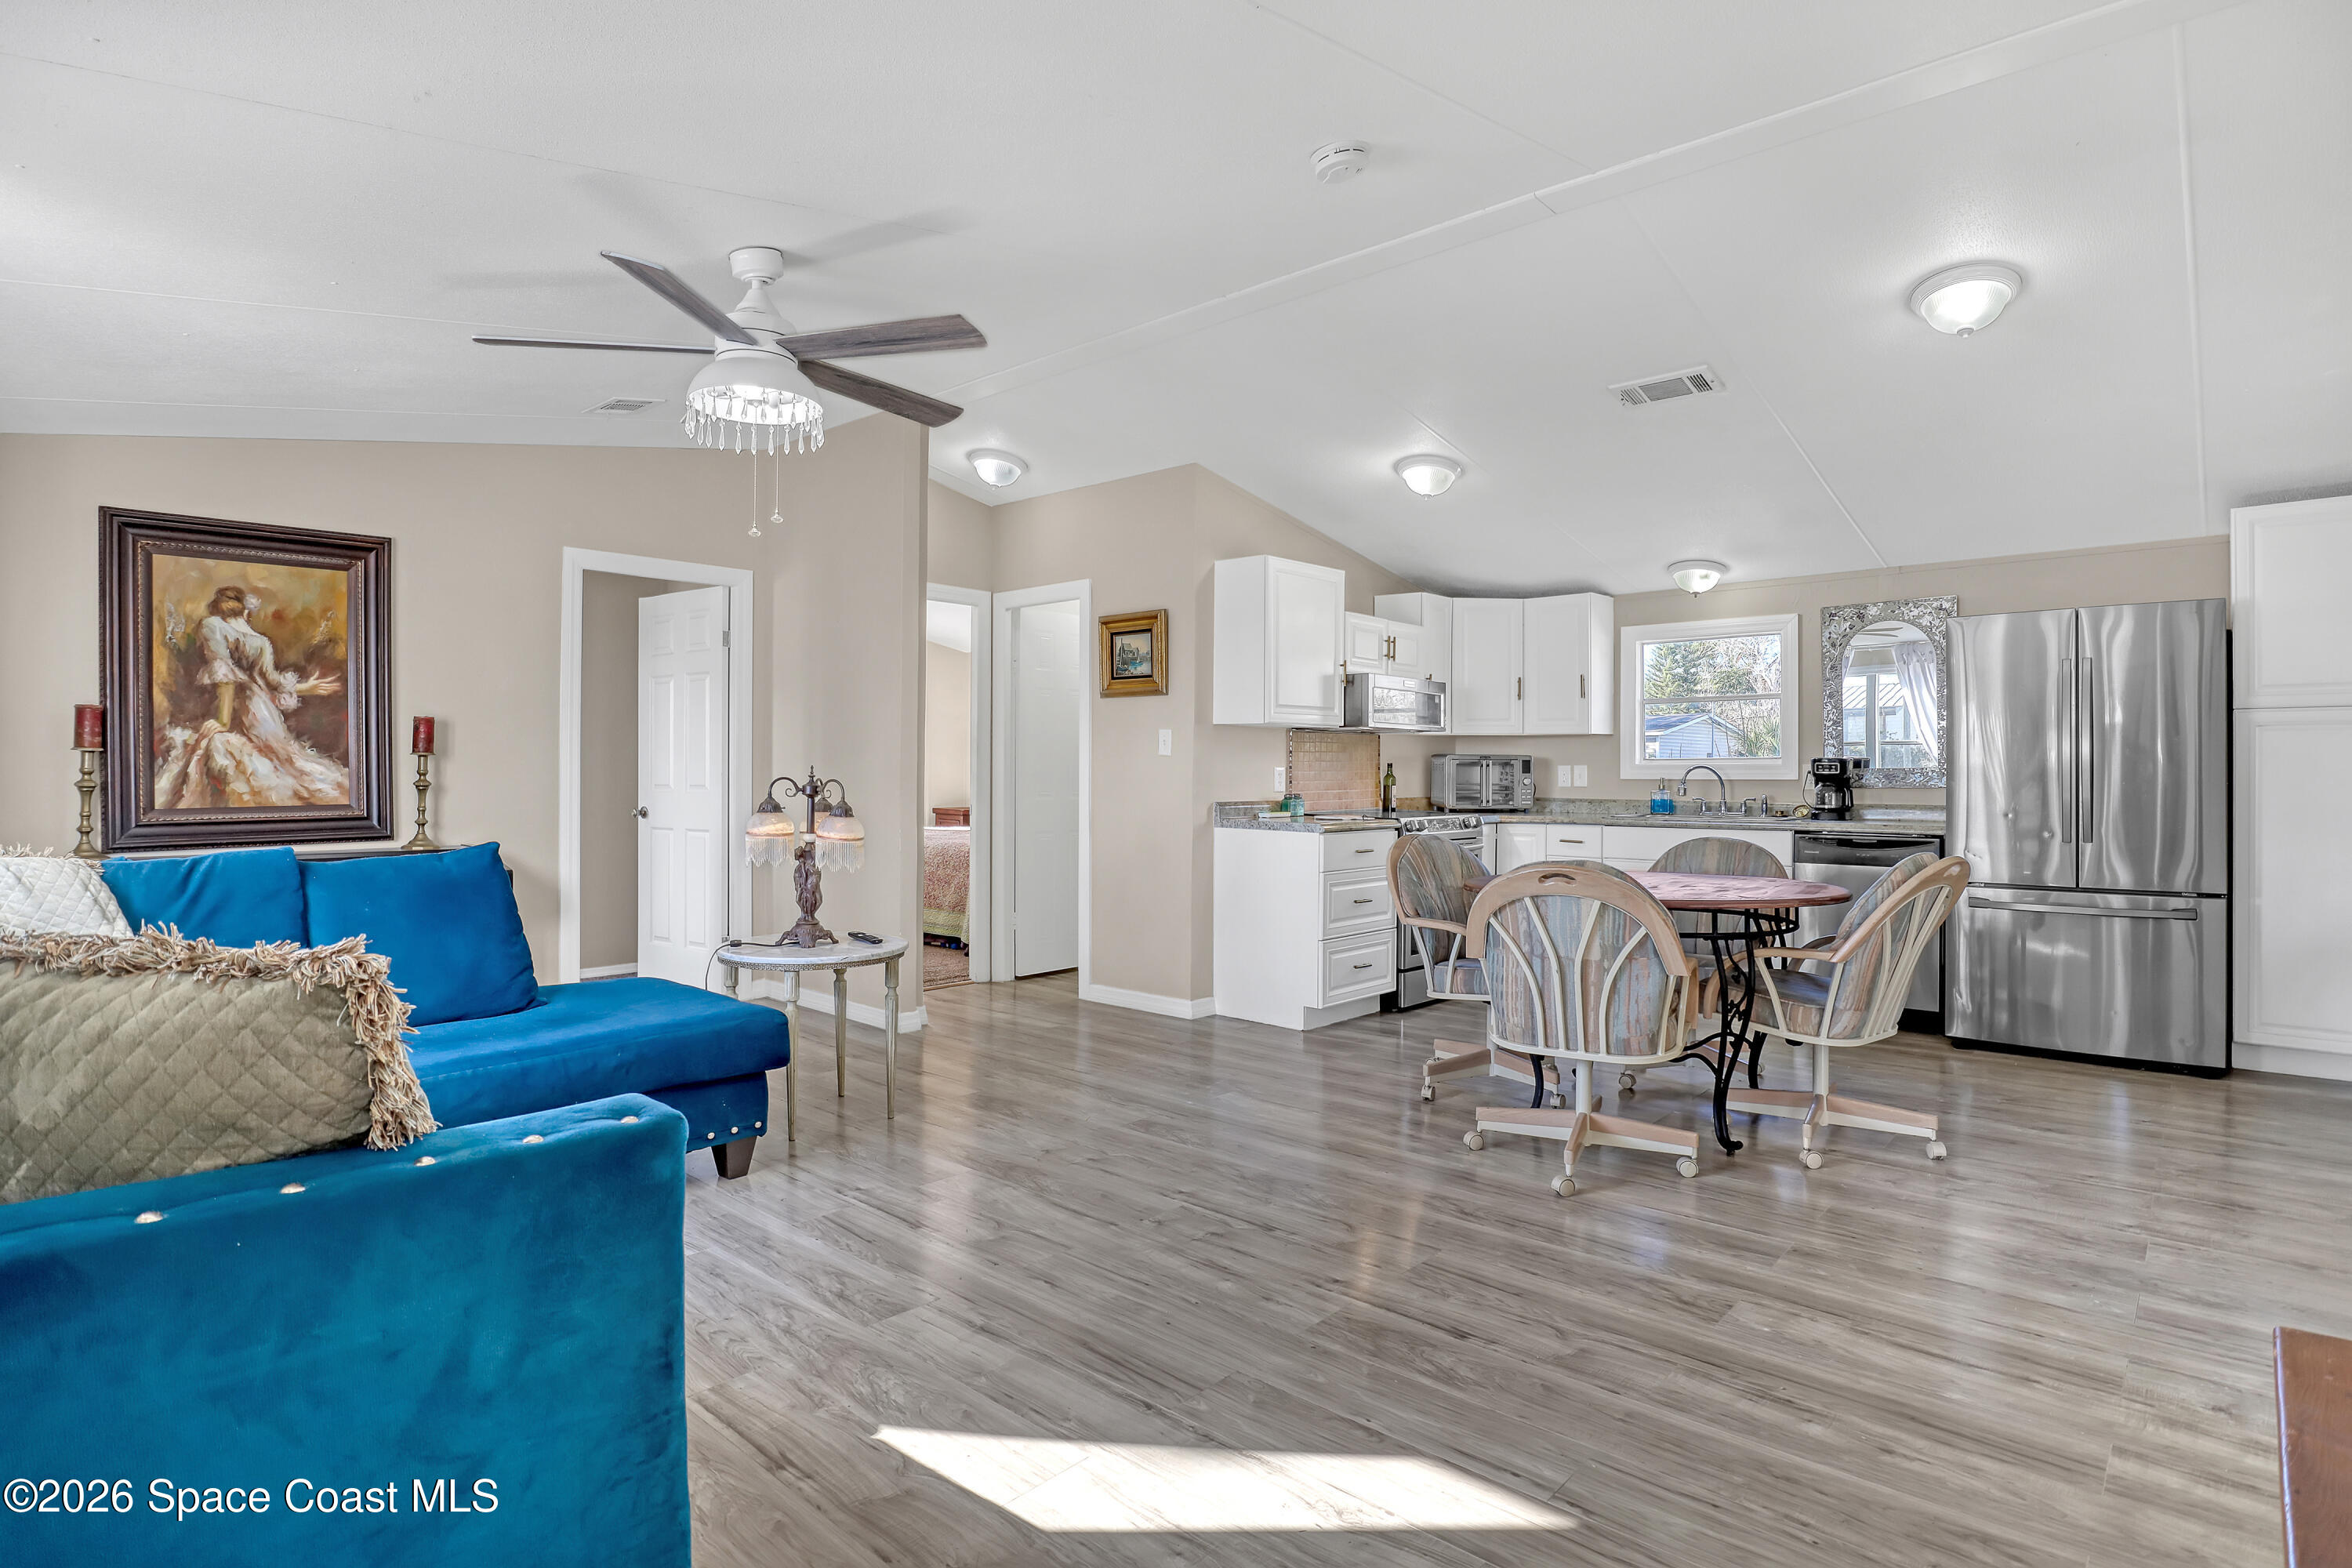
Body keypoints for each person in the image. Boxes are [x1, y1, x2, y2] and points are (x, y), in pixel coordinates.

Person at [153, 586, 350, 808]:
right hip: (263, 712)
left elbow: (226, 678)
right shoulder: (262, 642)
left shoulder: (213, 626)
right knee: (284, 763)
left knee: (255, 762)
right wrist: (308, 687)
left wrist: (223, 720)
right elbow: (272, 682)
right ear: (246, 611)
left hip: (236, 709)